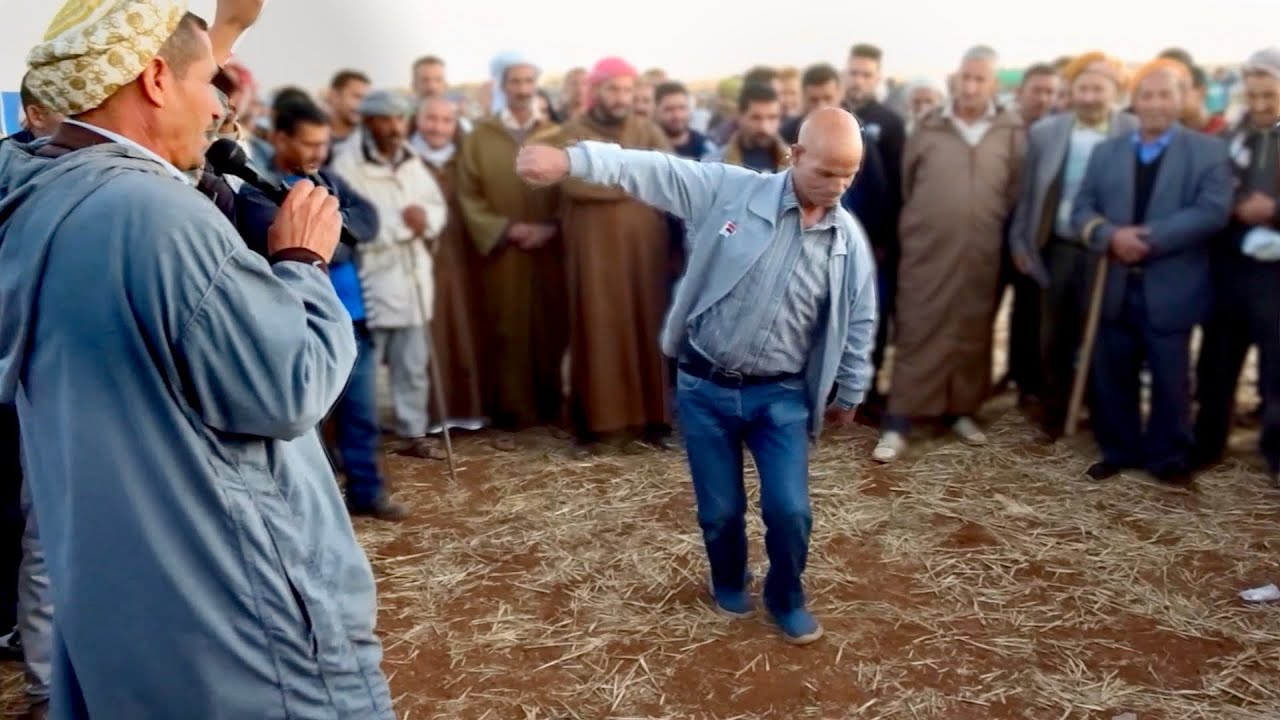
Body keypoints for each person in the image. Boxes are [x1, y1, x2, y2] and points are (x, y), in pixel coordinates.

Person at [0, 2, 394, 717]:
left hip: (131, 615)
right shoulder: (153, 215)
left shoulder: (35, 198)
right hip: (238, 625)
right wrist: (302, 261)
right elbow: (290, 384)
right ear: (154, 78)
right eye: (210, 82)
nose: (217, 108)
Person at [515, 106, 878, 645]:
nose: (837, 187)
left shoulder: (846, 240)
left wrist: (849, 388)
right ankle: (729, 577)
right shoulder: (730, 191)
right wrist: (570, 159)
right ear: (795, 155)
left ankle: (786, 594)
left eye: (849, 175)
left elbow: (860, 315)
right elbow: (652, 169)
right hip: (705, 387)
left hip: (780, 397)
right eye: (826, 172)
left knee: (790, 510)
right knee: (720, 510)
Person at [1071, 61, 1232, 485]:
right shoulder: (1108, 151)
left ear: (1182, 100)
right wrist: (1109, 236)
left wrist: (1148, 238)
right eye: (1148, 95)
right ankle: (1119, 449)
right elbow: (1081, 210)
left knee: (1170, 376)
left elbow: (1213, 211)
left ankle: (1169, 455)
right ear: (1134, 101)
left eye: (1165, 95)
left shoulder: (1209, 151)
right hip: (1115, 284)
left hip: (1173, 286)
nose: (1156, 103)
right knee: (1113, 371)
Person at [1007, 52, 1137, 438]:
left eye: (1099, 88)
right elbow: (1028, 193)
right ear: (1072, 91)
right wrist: (1019, 238)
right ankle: (1054, 411)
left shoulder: (1129, 128)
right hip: (1059, 246)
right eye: (1083, 87)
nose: (1091, 95)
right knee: (1055, 335)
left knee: (1103, 333)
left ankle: (1100, 413)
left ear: (1113, 93)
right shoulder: (1047, 132)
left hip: (1107, 250)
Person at [457, 52, 567, 450]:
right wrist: (506, 229)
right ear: (503, 87)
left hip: (550, 251)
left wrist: (552, 228)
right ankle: (513, 412)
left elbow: (572, 191)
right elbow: (467, 194)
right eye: (514, 82)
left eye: (528, 82)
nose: (522, 90)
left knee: (552, 326)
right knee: (507, 328)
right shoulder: (480, 137)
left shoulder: (557, 134)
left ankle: (551, 405)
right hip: (505, 252)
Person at [332, 90, 450, 462]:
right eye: (386, 119)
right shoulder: (346, 166)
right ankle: (355, 442)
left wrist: (426, 221)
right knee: (361, 370)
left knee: (413, 365)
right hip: (371, 281)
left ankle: (413, 431)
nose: (395, 127)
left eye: (400, 119)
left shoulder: (411, 160)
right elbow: (351, 225)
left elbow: (435, 207)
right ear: (369, 122)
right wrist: (406, 229)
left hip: (413, 277)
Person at [1193, 48, 1280, 483]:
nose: (1262, 105)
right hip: (1229, 267)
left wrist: (1275, 210)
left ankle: (1275, 452)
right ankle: (1208, 443)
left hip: (1275, 275)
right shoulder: (1230, 137)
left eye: (1270, 95)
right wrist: (1235, 207)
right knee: (1217, 361)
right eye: (1254, 95)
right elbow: (1211, 190)